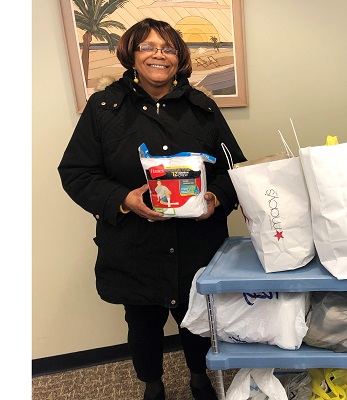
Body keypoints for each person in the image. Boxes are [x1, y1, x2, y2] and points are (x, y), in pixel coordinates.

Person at [58, 18, 246, 400]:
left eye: (168, 48)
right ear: (132, 54)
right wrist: (123, 199)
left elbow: (235, 170)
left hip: (196, 243)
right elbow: (77, 172)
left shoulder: (203, 108)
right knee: (142, 325)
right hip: (134, 245)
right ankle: (153, 384)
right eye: (147, 46)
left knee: (198, 319)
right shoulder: (104, 108)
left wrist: (215, 198)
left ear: (179, 58)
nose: (159, 54)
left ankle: (199, 378)